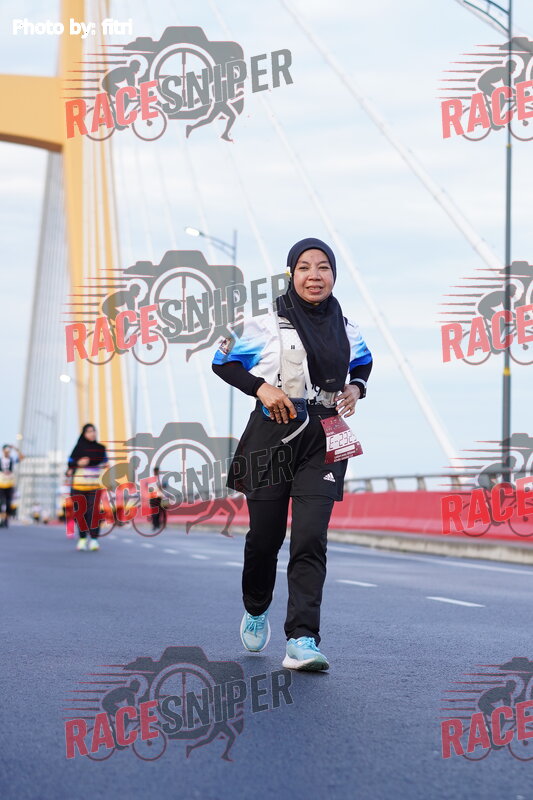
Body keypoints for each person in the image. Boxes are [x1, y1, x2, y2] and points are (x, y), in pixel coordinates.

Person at [212, 237, 373, 671]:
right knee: (264, 539)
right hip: (272, 432)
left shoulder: (347, 327)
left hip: (323, 437)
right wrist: (260, 387)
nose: (314, 276)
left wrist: (356, 387)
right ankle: (256, 606)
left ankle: (302, 639)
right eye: (304, 267)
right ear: (291, 274)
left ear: (334, 274)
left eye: (323, 267)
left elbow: (363, 362)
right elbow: (221, 361)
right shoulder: (260, 324)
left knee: (309, 539)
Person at [66, 424, 109, 551]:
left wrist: (105, 465)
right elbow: (70, 463)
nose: (92, 433)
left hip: (94, 485)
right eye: (89, 431)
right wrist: (78, 463)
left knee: (94, 512)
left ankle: (94, 540)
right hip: (79, 485)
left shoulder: (101, 448)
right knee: (81, 513)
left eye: (94, 431)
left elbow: (106, 462)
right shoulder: (78, 448)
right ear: (84, 434)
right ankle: (82, 539)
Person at [0, 443, 24, 528]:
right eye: (6, 451)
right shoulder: (0, 460)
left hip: (10, 484)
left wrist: (15, 449)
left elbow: (22, 457)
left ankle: (6, 520)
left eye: (8, 451)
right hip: (1, 485)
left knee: (8, 503)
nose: (7, 453)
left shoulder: (12, 459)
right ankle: (1, 519)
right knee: (1, 503)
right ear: (3, 451)